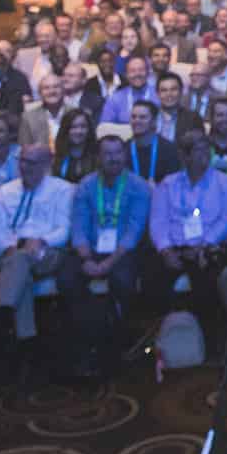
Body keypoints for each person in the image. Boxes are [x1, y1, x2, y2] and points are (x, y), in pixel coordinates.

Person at [58, 135, 153, 370]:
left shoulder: (138, 186)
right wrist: (87, 258)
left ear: (125, 155)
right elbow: (78, 227)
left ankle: (117, 342)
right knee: (67, 280)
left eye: (118, 152)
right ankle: (82, 342)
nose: (113, 158)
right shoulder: (86, 186)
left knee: (123, 281)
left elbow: (134, 231)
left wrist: (109, 262)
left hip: (122, 252)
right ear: (98, 157)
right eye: (107, 153)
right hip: (89, 251)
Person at [146, 129, 227, 347]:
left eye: (207, 149)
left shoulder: (224, 183)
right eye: (198, 150)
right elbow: (158, 222)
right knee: (152, 280)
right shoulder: (168, 184)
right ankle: (160, 342)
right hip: (174, 249)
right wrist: (166, 250)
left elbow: (225, 221)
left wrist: (203, 246)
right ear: (184, 156)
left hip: (208, 248)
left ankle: (209, 343)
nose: (205, 154)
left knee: (206, 283)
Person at [0, 145, 77, 368]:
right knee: (20, 267)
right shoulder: (4, 192)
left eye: (32, 163)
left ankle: (3, 315)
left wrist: (41, 241)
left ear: (47, 165)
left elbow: (64, 230)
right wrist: (10, 247)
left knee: (19, 263)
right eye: (22, 161)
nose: (25, 167)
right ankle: (27, 343)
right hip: (12, 253)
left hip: (47, 250)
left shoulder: (63, 189)